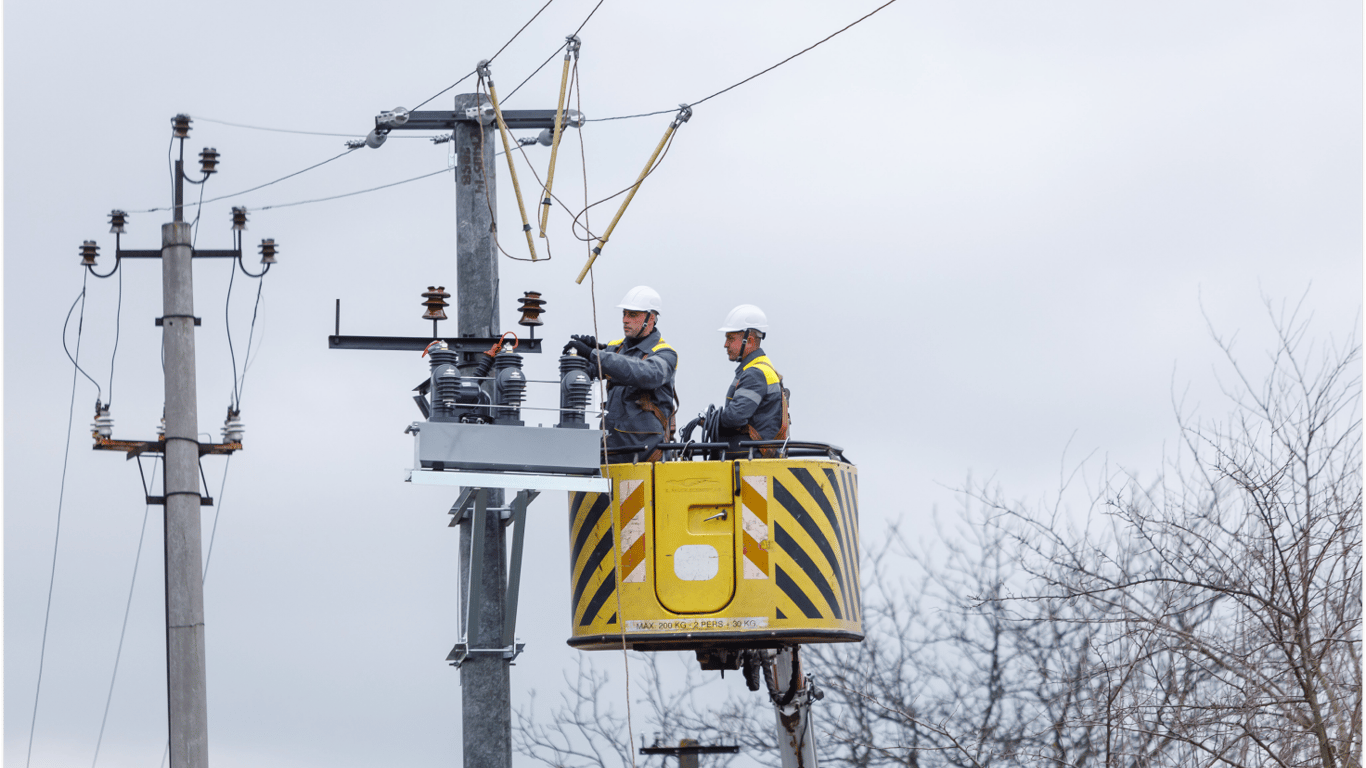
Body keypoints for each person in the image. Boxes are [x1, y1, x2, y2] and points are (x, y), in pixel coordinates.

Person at [564, 286, 678, 461]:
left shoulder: (665, 354)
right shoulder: (615, 348)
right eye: (624, 314)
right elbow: (592, 369)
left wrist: (594, 354)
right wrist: (580, 357)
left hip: (645, 457)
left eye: (632, 315)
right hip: (611, 452)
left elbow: (644, 373)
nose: (625, 320)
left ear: (651, 318)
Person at [716, 304, 789, 455]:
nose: (725, 345)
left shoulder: (755, 374)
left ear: (748, 341)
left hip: (751, 457)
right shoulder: (762, 368)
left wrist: (713, 419)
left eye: (730, 338)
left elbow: (735, 417)